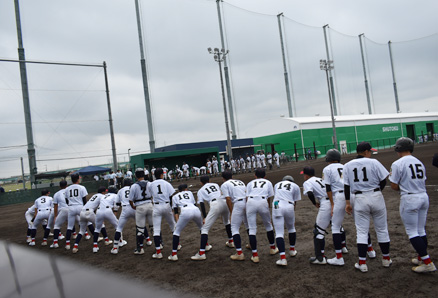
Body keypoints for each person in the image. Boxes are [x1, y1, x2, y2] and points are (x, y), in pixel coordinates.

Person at [389, 137, 436, 273]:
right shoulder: (419, 162)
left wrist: (401, 187)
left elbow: (393, 185)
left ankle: (428, 263)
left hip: (410, 198)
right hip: (423, 196)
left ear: (398, 148)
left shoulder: (398, 163)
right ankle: (421, 257)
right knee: (421, 230)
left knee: (412, 232)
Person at [344, 142, 391, 273]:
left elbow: (346, 186)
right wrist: (377, 191)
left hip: (359, 198)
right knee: (382, 229)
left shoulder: (347, 165)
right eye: (369, 151)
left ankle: (362, 263)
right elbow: (383, 180)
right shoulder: (374, 162)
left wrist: (348, 203)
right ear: (365, 151)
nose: (370, 153)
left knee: (362, 232)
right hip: (376, 196)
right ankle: (386, 259)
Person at [191, 175, 229, 260]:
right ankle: (231, 241)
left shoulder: (200, 190)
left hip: (215, 205)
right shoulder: (215, 184)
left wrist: (204, 217)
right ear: (209, 180)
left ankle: (201, 253)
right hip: (224, 202)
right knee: (227, 222)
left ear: (201, 183)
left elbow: (202, 204)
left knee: (204, 229)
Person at [246, 168, 278, 263]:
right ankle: (272, 248)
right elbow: (269, 197)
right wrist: (267, 208)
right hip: (263, 201)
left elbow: (247, 197)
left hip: (250, 202)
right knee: (268, 225)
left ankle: (255, 255)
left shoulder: (250, 183)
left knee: (252, 228)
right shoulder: (268, 182)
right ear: (265, 176)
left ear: (255, 175)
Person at [323, 149, 349, 266]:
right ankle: (370, 251)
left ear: (328, 159)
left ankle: (339, 257)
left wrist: (332, 204)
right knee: (360, 223)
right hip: (351, 194)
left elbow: (327, 188)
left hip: (339, 196)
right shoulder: (345, 166)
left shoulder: (327, 169)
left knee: (335, 226)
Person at [302, 166, 331, 265]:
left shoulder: (307, 182)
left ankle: (320, 258)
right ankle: (343, 248)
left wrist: (314, 203)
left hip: (325, 203)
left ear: (306, 175)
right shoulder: (320, 179)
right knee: (337, 226)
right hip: (334, 201)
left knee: (318, 231)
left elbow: (309, 193)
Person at [168, 184, 203, 261]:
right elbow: (194, 204)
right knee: (202, 228)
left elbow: (176, 211)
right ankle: (206, 246)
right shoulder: (190, 193)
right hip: (195, 209)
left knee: (176, 232)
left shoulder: (175, 196)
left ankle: (174, 254)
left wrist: (177, 222)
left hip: (185, 211)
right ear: (185, 189)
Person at [147, 168, 177, 259]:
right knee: (173, 226)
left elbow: (150, 195)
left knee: (156, 230)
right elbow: (172, 196)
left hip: (156, 207)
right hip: (167, 205)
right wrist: (172, 207)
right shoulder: (167, 183)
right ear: (161, 174)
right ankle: (177, 245)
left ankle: (158, 252)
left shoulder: (151, 184)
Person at [272, 175, 301, 266]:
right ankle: (292, 250)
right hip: (289, 205)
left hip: (277, 204)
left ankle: (283, 258)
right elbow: (295, 201)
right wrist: (292, 215)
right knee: (291, 228)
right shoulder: (295, 186)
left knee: (279, 233)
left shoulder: (277, 184)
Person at [221, 170, 249, 261]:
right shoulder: (240, 181)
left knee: (234, 228)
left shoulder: (225, 184)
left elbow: (228, 199)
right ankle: (252, 245)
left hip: (238, 204)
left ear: (223, 178)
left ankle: (239, 253)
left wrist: (231, 212)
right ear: (232, 176)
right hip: (247, 202)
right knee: (248, 225)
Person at [71, 187, 104, 253]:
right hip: (89, 212)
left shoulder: (94, 195)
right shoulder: (102, 196)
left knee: (81, 231)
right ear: (103, 192)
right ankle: (106, 240)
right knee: (101, 225)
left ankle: (75, 246)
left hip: (82, 212)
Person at [128, 168, 153, 255]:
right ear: (144, 175)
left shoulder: (134, 186)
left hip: (140, 206)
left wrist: (133, 206)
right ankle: (159, 244)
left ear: (136, 176)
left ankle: (140, 249)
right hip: (150, 205)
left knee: (140, 229)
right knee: (153, 226)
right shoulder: (149, 183)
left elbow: (130, 199)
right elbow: (153, 195)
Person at [111, 178, 137, 255]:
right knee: (140, 225)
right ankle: (148, 240)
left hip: (125, 209)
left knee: (119, 228)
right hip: (134, 208)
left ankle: (115, 247)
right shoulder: (134, 188)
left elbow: (117, 203)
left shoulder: (120, 190)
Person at [65, 173, 89, 250]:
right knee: (89, 222)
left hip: (71, 207)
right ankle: (90, 236)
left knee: (69, 227)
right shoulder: (82, 187)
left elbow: (66, 200)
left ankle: (67, 244)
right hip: (80, 206)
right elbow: (84, 200)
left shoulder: (67, 189)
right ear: (78, 179)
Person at [91, 186, 118, 253]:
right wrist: (114, 215)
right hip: (108, 210)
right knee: (118, 227)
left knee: (97, 229)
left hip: (99, 211)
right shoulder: (115, 195)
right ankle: (120, 242)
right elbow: (116, 206)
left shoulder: (104, 195)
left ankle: (95, 247)